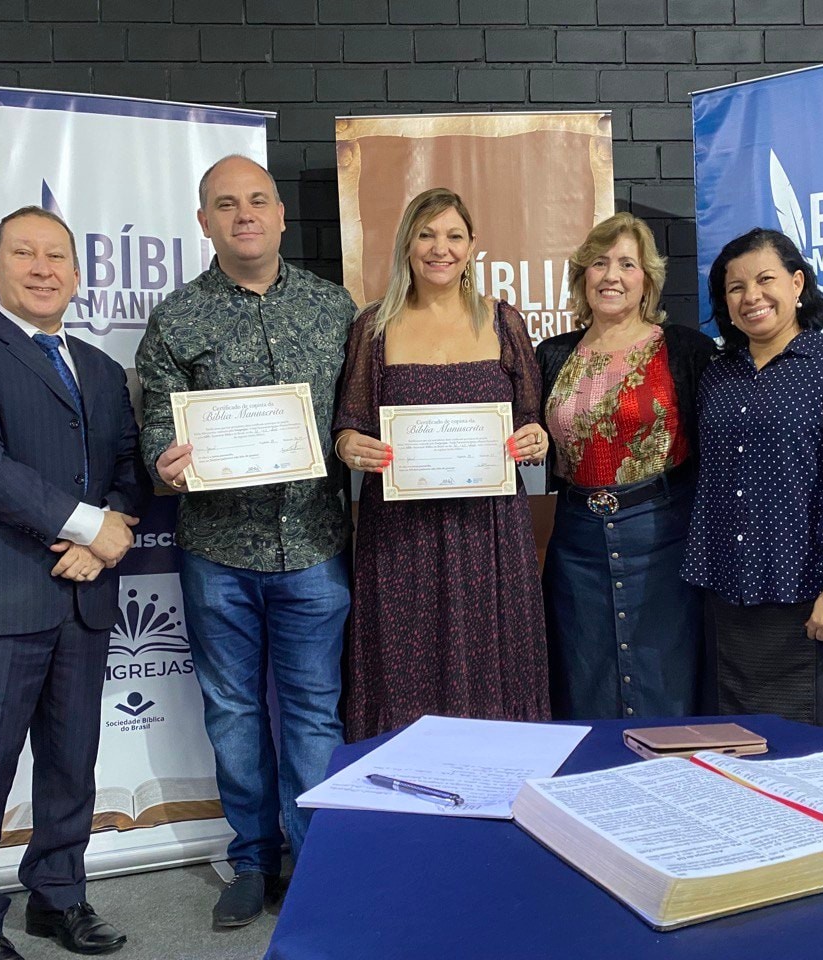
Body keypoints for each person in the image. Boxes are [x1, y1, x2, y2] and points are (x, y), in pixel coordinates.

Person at [0, 206, 147, 960]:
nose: (42, 268)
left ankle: (58, 896)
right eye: (24, 253)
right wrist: (87, 526)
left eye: (56, 257)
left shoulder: (102, 371)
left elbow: (126, 471)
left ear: (78, 276)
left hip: (82, 596)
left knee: (71, 766)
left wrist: (102, 542)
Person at [135, 156, 355, 927]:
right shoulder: (176, 318)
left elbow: (356, 414)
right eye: (226, 205)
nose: (244, 214)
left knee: (314, 714)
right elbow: (156, 426)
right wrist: (164, 461)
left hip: (316, 545)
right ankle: (254, 860)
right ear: (205, 223)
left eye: (257, 200)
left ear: (281, 215)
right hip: (217, 553)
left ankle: (316, 863)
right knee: (232, 712)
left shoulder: (335, 309)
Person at [333, 187, 550, 741]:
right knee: (403, 664)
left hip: (489, 531)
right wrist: (349, 445)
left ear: (472, 245)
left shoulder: (503, 321)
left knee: (492, 658)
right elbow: (349, 423)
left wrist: (535, 438)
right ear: (407, 244)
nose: (440, 248)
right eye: (426, 234)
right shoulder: (374, 326)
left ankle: (498, 777)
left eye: (454, 236)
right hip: (400, 533)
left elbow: (532, 419)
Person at [681, 227, 823, 732]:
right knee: (734, 751)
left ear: (797, 283)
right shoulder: (717, 376)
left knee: (817, 752)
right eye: (735, 287)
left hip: (812, 600)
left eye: (765, 280)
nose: (751, 297)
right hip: (728, 600)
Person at [536, 213, 715, 721]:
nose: (611, 275)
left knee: (666, 678)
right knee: (583, 677)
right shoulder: (551, 355)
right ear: (582, 276)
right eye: (599, 263)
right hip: (576, 543)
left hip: (664, 537)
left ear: (647, 280)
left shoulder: (685, 350)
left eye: (627, 264)